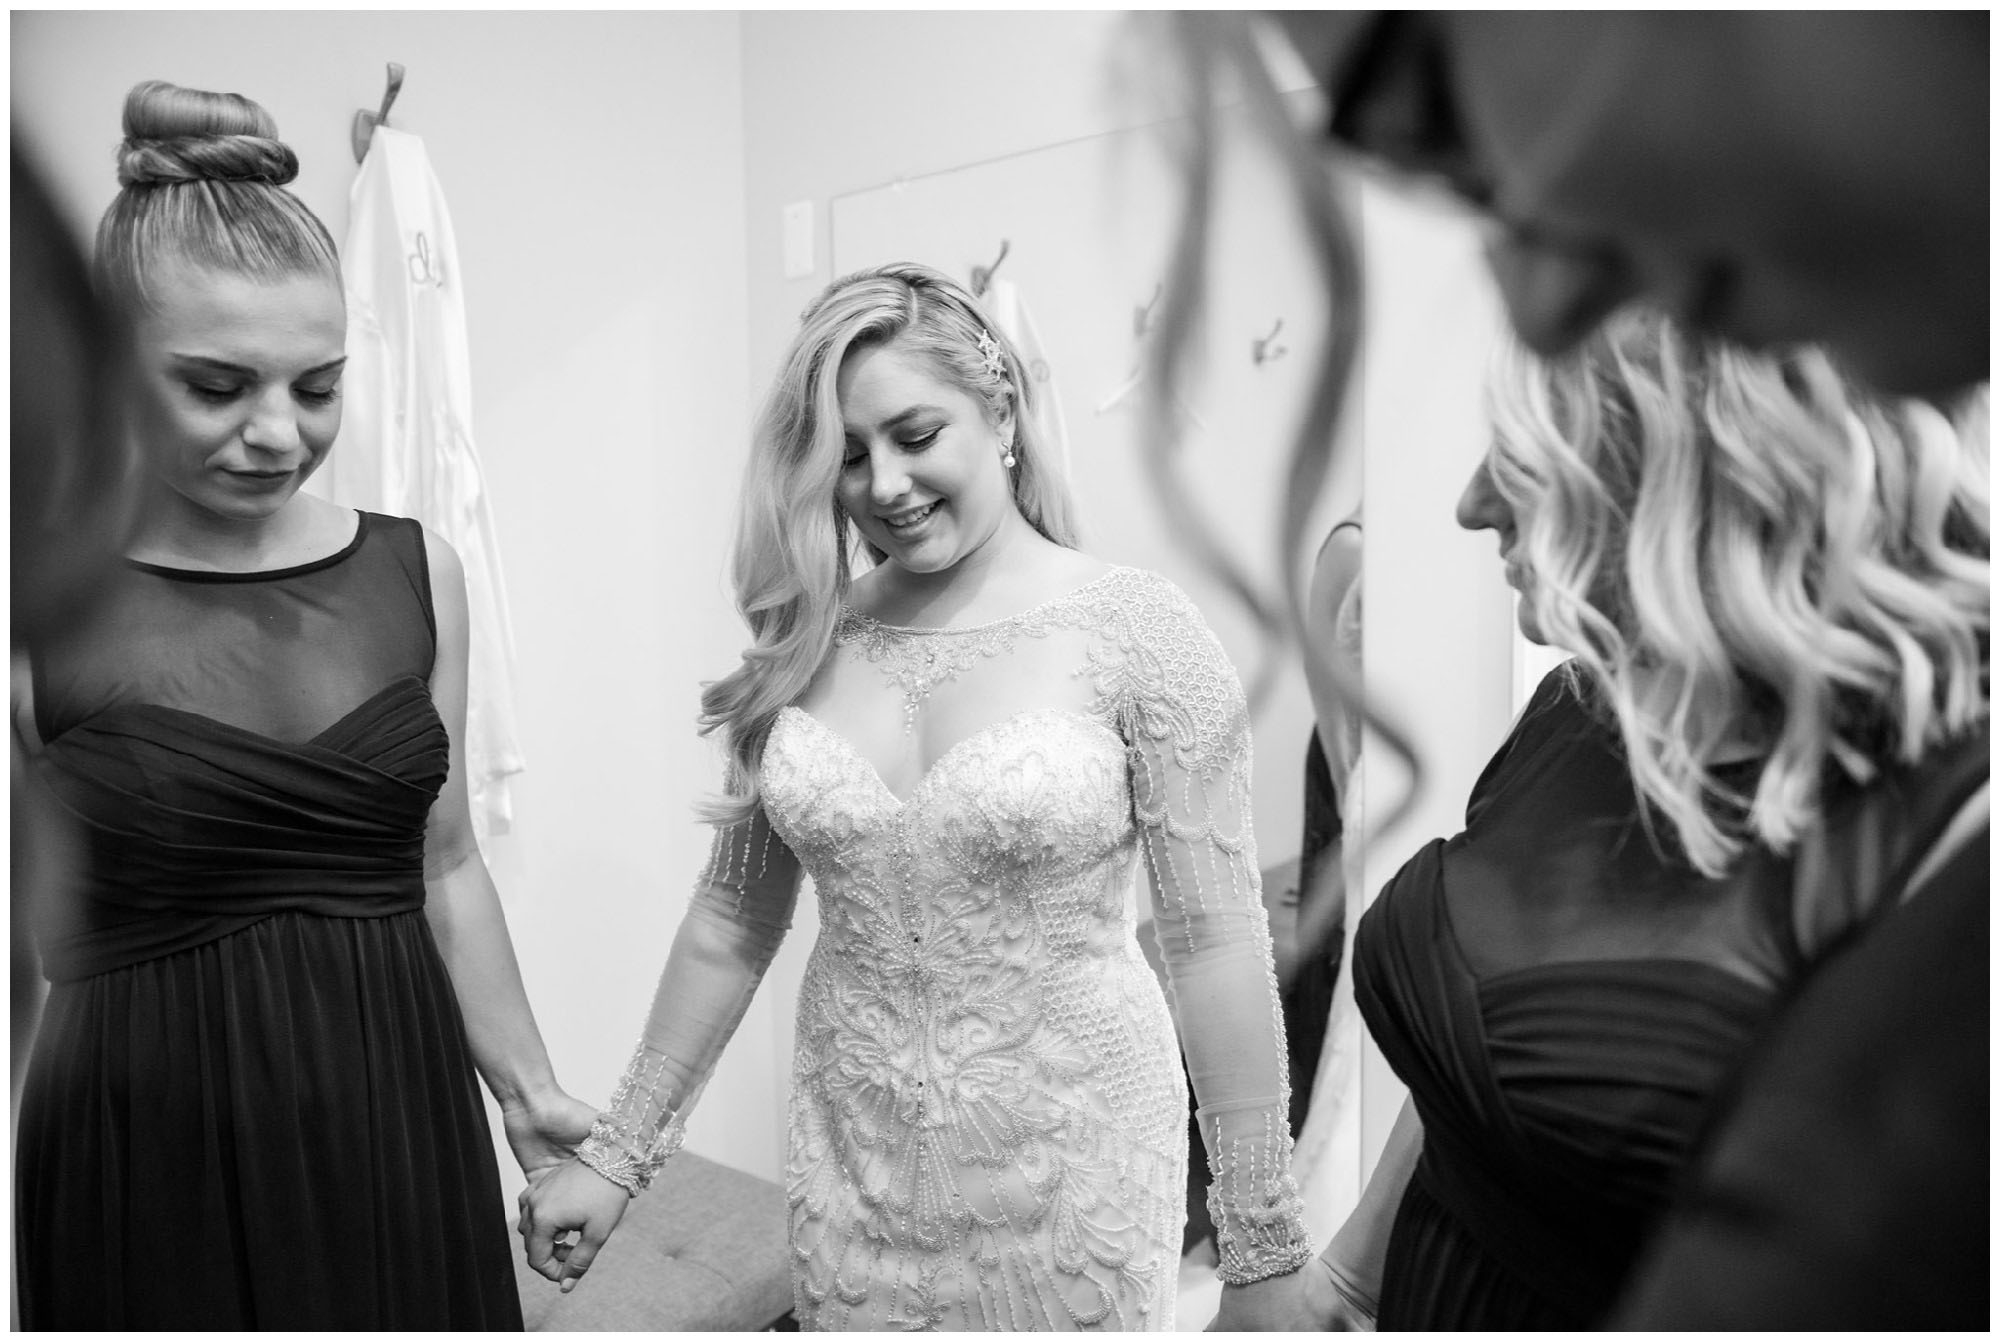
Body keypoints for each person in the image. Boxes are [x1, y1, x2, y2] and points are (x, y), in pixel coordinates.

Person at [519, 262, 1316, 1330]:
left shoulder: (1137, 631)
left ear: (1001, 416)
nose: (882, 484)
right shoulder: (805, 643)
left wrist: (1259, 1241)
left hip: (1073, 1167)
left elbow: (1216, 939)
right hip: (855, 1163)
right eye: (846, 456)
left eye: (914, 433)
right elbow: (729, 918)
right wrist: (619, 1155)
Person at [1212, 309, 1988, 1329]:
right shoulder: (1576, 717)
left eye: (1528, 459)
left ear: (1691, 476)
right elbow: (1471, 1090)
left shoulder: (1939, 823)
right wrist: (1345, 1285)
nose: (1469, 504)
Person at [11, 80, 594, 1329]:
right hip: (139, 1144)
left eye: (316, 387)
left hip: (396, 1109)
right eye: (217, 387)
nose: (278, 433)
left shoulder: (413, 570)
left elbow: (445, 864)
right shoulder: (35, 606)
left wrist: (532, 1098)